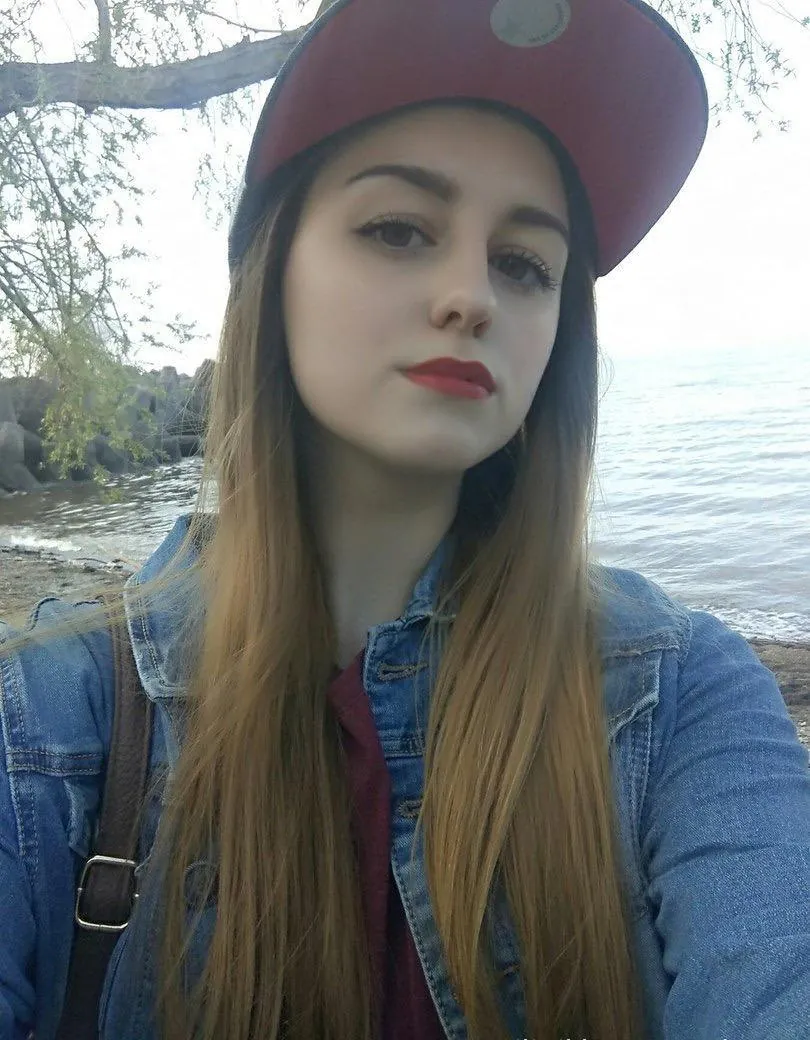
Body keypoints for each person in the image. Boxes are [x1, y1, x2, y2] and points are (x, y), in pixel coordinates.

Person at [1, 0, 809, 1037]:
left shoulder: (682, 696)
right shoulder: (49, 717)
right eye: (398, 229)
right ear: (272, 276)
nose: (472, 296)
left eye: (525, 262)